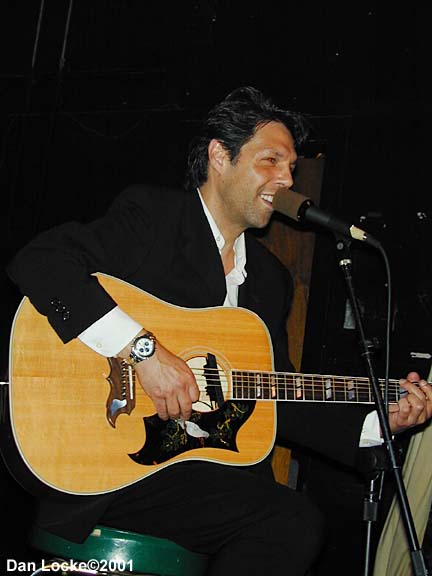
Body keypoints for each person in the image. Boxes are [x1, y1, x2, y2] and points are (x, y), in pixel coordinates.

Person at [5, 86, 432, 575]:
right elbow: (40, 262)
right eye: (271, 160)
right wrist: (143, 352)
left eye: (291, 167)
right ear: (219, 156)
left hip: (195, 476)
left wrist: (378, 419)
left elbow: (277, 394)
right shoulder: (157, 218)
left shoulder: (270, 279)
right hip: (107, 463)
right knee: (286, 521)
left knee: (291, 519)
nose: (287, 179)